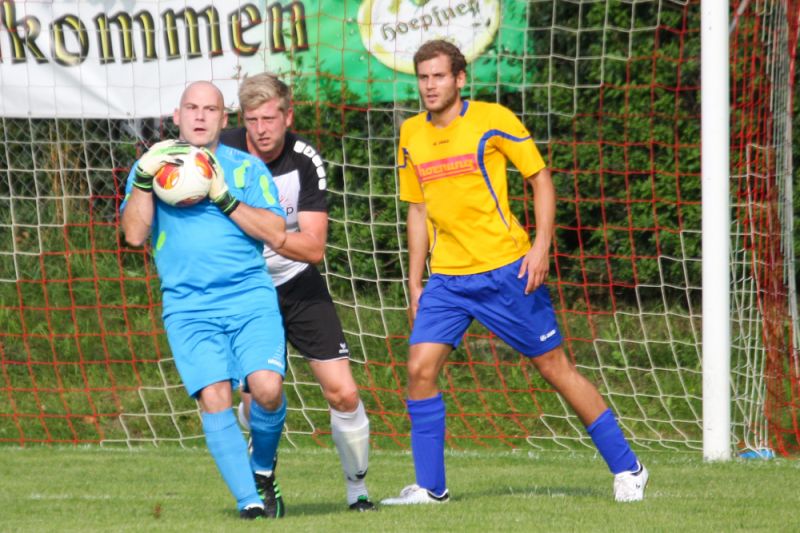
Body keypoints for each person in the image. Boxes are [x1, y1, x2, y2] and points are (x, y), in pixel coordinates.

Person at [381, 40, 649, 506]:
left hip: (506, 270)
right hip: (447, 280)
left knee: (554, 368)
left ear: (459, 78)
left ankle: (629, 468)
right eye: (423, 77)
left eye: (439, 76)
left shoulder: (493, 120)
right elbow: (417, 209)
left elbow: (540, 179)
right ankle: (431, 488)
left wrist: (541, 246)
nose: (429, 85)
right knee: (419, 369)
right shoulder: (410, 133)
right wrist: (415, 279)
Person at [120, 81, 290, 520]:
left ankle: (262, 469)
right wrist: (144, 178)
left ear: (223, 118)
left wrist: (222, 195)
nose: (200, 116)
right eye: (191, 108)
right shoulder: (153, 167)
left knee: (267, 389)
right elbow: (134, 235)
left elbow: (276, 233)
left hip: (248, 297)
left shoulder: (246, 168)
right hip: (188, 306)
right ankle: (250, 502)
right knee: (215, 397)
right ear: (177, 117)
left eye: (210, 109)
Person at [219, 73, 376, 512]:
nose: (261, 129)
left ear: (288, 116)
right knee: (258, 397)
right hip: (247, 290)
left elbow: (313, 249)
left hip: (297, 282)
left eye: (270, 118)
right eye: (252, 120)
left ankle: (358, 493)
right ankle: (263, 473)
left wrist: (265, 231)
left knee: (344, 393)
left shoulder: (305, 160)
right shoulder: (221, 152)